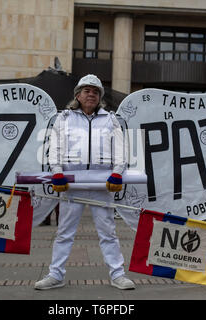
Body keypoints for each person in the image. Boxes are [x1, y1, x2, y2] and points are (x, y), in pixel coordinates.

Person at [34, 74, 135, 290]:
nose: (91, 94)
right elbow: (56, 148)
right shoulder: (64, 118)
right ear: (78, 95)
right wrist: (57, 172)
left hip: (102, 184)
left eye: (96, 91)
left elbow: (121, 150)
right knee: (64, 232)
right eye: (87, 90)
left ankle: (118, 274)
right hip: (72, 184)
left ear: (100, 97)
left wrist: (118, 172)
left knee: (108, 231)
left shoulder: (110, 119)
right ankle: (56, 274)